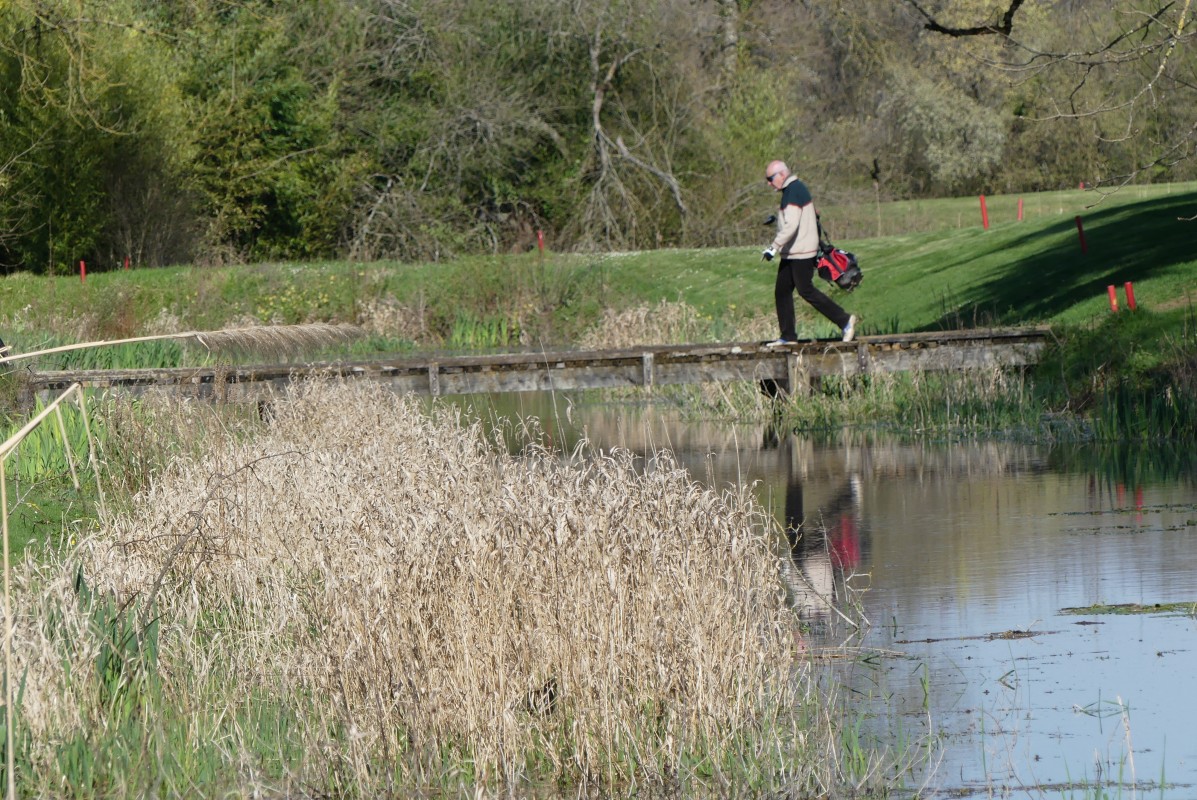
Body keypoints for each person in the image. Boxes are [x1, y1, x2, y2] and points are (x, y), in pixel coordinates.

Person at [761, 160, 857, 345]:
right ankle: (788, 337)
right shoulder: (793, 189)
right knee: (782, 291)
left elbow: (791, 225)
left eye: (770, 178)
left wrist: (773, 247)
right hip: (794, 251)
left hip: (801, 252)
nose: (768, 183)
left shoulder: (793, 191)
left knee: (806, 290)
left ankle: (844, 320)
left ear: (781, 174)